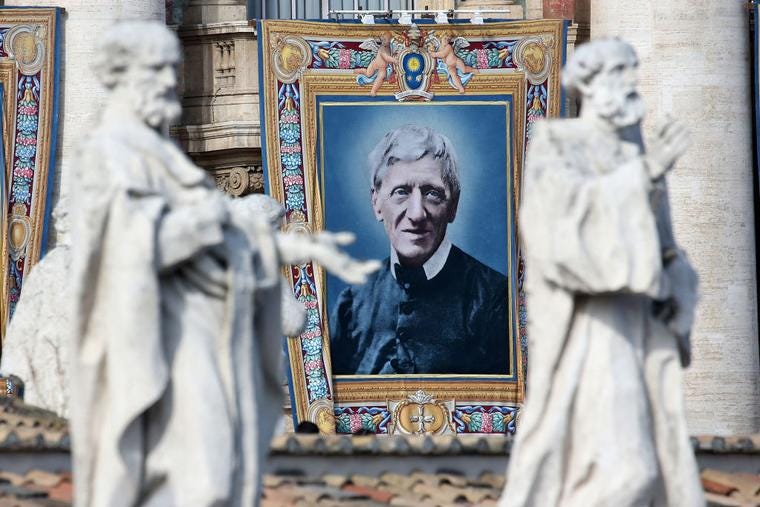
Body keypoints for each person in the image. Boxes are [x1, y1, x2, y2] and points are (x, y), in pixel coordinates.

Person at [70, 21, 377, 507]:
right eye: (160, 71)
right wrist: (207, 221)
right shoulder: (111, 154)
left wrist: (288, 249)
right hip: (158, 343)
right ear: (125, 76)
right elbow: (129, 249)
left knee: (217, 475)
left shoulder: (156, 154)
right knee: (200, 475)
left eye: (172, 69)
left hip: (200, 334)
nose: (172, 82)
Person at [500, 39, 704, 506]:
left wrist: (680, 286)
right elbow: (555, 233)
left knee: (653, 475)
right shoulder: (556, 144)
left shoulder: (635, 152)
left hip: (643, 328)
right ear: (588, 82)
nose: (630, 82)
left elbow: (665, 245)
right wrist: (646, 173)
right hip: (594, 330)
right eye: (618, 71)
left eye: (632, 71)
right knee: (626, 473)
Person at [330, 124, 510, 375]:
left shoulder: (496, 299)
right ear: (376, 203)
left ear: (453, 205)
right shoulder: (352, 302)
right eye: (401, 192)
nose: (416, 214)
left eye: (432, 193)